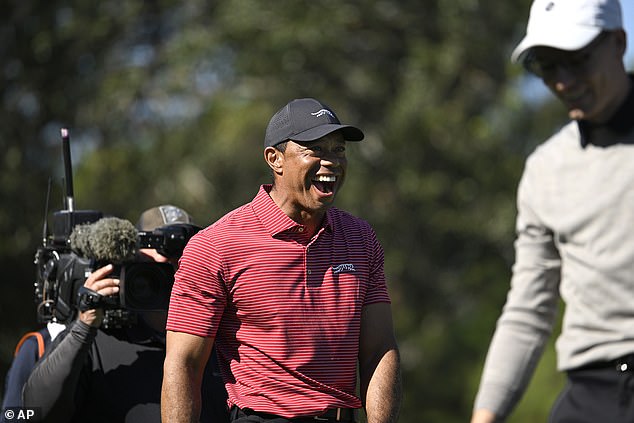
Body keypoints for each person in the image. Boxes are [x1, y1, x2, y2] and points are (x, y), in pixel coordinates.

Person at [162, 98, 402, 423]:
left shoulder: (361, 238)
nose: (331, 161)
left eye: (338, 150)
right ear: (275, 159)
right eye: (314, 149)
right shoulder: (215, 245)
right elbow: (184, 365)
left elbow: (379, 350)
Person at [471, 0, 634, 422]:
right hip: (592, 394)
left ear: (618, 42)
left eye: (576, 60)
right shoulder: (546, 169)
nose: (563, 82)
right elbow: (528, 308)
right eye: (546, 67)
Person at [22, 205, 229, 423]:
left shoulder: (220, 341)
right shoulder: (97, 339)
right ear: (129, 266)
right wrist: (83, 326)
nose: (169, 281)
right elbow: (35, 412)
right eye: (153, 271)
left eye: (180, 268)